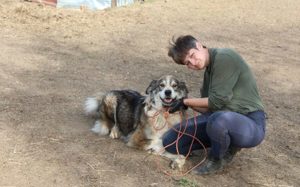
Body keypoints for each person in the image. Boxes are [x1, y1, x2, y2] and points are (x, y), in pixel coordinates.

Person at [163, 35, 266, 175]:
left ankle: (217, 158)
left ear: (199, 45)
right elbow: (209, 108)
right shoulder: (208, 73)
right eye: (187, 63)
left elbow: (218, 101)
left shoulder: (225, 57)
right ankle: (224, 142)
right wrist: (186, 104)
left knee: (219, 120)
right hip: (219, 118)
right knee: (171, 140)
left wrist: (185, 101)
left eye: (192, 55)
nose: (192, 63)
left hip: (250, 123)